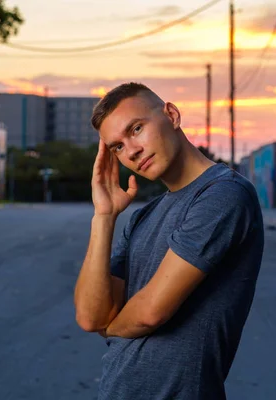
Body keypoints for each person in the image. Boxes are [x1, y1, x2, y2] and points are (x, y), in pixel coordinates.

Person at [73, 82, 264, 399]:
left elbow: (150, 313)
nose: (131, 151)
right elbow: (90, 316)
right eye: (117, 146)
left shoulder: (223, 194)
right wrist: (104, 217)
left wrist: (111, 328)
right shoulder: (142, 217)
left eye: (136, 129)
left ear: (172, 115)